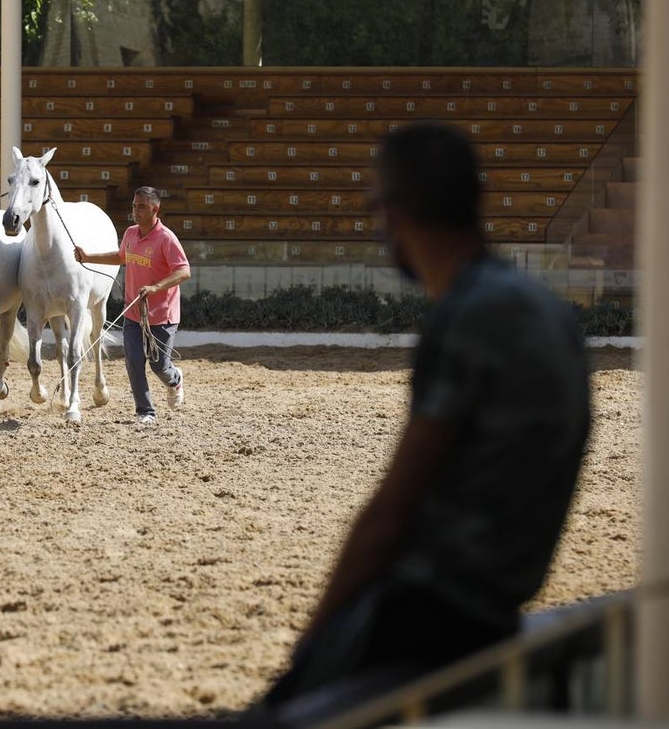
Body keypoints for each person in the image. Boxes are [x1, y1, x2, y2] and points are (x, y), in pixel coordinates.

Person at [253, 123, 591, 717]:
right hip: (502, 599)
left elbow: (391, 513)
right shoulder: (544, 309)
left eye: (376, 206)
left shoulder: (467, 316)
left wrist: (312, 647)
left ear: (395, 211)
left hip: (435, 611)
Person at [74, 186, 191, 425]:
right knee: (134, 362)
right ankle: (145, 412)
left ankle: (175, 379)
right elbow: (120, 257)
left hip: (162, 315)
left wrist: (156, 288)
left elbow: (183, 271)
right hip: (133, 313)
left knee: (160, 366)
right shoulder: (130, 233)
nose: (135, 211)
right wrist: (88, 257)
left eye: (141, 207)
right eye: (134, 206)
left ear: (155, 209)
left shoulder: (166, 238)